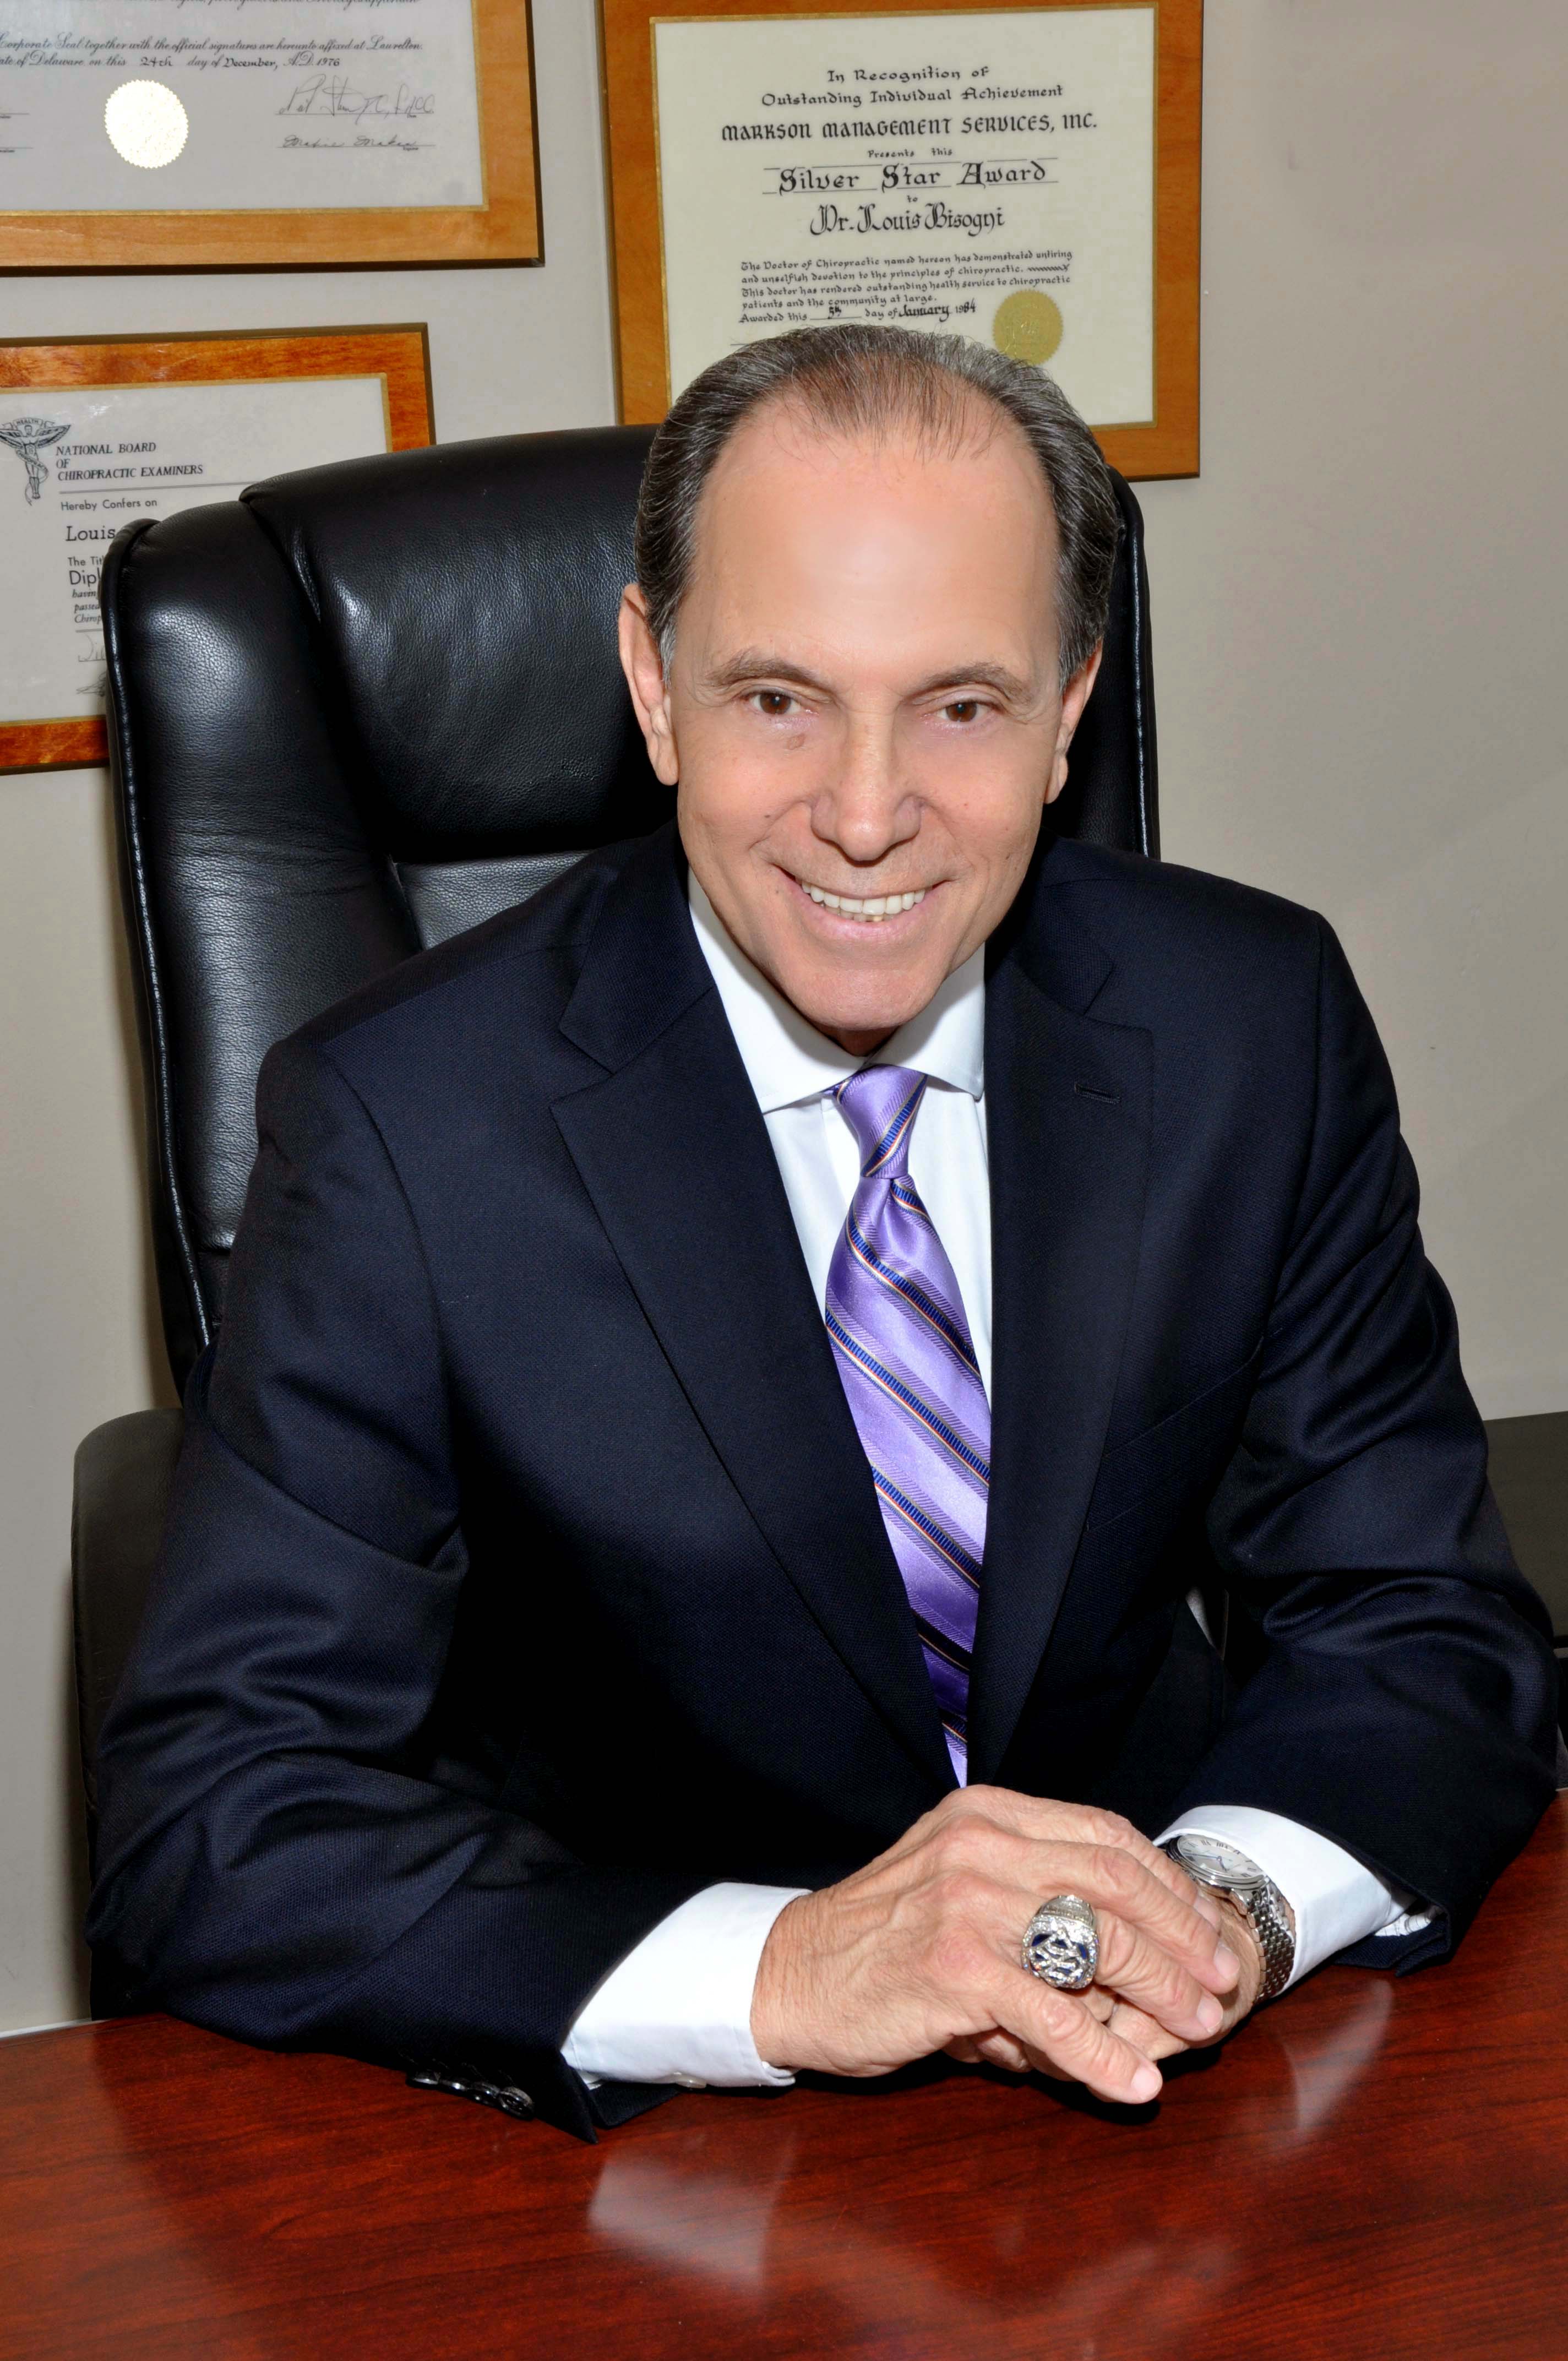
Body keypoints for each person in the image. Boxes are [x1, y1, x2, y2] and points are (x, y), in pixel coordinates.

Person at [88, 327, 1559, 2141]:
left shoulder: (1253, 1019)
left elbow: (1415, 1617)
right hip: (660, 2128)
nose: (868, 818)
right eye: (778, 697)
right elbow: (217, 1816)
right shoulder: (402, 1123)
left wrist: (1214, 1921)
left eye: (964, 704)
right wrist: (789, 1972)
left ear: (1073, 701)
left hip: (1159, 2100)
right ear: (651, 683)